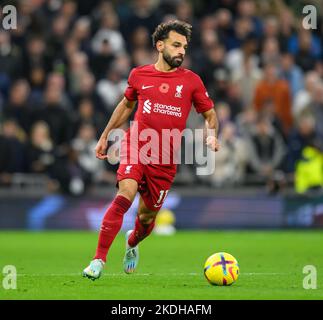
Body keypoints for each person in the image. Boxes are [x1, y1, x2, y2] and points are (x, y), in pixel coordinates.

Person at [82, 20, 219, 280]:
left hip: (165, 160)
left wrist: (211, 134)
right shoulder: (139, 75)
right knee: (125, 194)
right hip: (137, 146)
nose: (181, 51)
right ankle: (98, 259)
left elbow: (210, 114)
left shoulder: (191, 81)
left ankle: (132, 243)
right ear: (160, 45)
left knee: (146, 219)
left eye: (185, 47)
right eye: (176, 45)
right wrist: (105, 135)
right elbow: (125, 106)